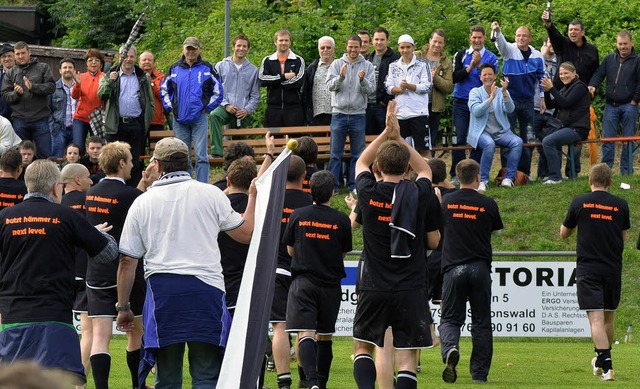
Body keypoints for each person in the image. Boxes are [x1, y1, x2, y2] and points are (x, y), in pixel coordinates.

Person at [116, 137, 255, 388]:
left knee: (167, 378)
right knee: (206, 375)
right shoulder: (211, 193)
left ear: (157, 166)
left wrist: (123, 306)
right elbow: (246, 234)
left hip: (164, 293)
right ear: (189, 163)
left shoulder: (142, 202)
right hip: (206, 292)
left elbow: (128, 260)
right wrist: (254, 196)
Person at [0, 159, 117, 385]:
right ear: (56, 187)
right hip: (55, 318)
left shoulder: (5, 218)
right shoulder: (67, 217)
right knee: (57, 382)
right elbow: (108, 252)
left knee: (13, 383)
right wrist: (93, 232)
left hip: (13, 317)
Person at [352, 100, 435, 389]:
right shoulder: (417, 192)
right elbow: (426, 170)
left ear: (378, 167)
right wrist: (399, 138)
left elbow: (361, 162)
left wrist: (386, 134)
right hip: (410, 286)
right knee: (406, 359)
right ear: (405, 167)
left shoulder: (368, 191)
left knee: (363, 347)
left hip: (374, 284)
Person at [84, 141, 148, 389]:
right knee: (135, 332)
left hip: (97, 271)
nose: (133, 164)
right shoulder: (132, 195)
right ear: (121, 163)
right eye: (130, 160)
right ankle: (137, 385)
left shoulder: (92, 193)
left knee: (100, 336)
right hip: (128, 271)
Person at [560, 163, 630, 381]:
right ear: (610, 182)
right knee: (608, 317)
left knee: (596, 320)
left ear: (590, 181)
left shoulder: (579, 202)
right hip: (612, 267)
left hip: (588, 267)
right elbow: (624, 237)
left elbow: (564, 233)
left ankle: (607, 366)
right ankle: (600, 361)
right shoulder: (620, 204)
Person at [283, 170, 353, 389]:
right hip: (330, 285)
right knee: (325, 336)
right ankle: (321, 384)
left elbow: (290, 249)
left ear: (310, 190)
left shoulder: (298, 215)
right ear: (332, 193)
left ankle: (311, 382)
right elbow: (342, 254)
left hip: (303, 282)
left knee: (305, 333)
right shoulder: (341, 220)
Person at [439, 159, 503, 384]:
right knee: (482, 322)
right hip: (480, 268)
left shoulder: (446, 202)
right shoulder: (488, 203)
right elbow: (495, 231)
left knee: (449, 319)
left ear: (457, 177)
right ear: (478, 178)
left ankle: (450, 349)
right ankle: (479, 373)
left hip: (453, 268)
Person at [271, 155, 313, 389]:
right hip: (302, 271)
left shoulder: (272, 199)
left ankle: (283, 380)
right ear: (304, 176)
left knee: (279, 326)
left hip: (276, 269)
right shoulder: (310, 201)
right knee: (304, 328)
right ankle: (305, 377)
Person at [542, 13, 599, 176]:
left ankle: (572, 171)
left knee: (577, 132)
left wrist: (592, 85)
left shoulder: (592, 50)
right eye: (570, 30)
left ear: (583, 32)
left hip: (581, 94)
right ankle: (553, 171)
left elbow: (596, 71)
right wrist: (549, 24)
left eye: (575, 30)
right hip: (561, 93)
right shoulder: (563, 45)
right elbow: (555, 37)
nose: (572, 32)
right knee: (556, 132)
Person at [162, 37, 222, 183]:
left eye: (194, 48)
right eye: (188, 48)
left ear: (199, 49)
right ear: (183, 50)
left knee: (202, 156)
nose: (191, 52)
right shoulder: (174, 68)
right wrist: (171, 108)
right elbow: (164, 89)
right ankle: (185, 184)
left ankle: (202, 186)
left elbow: (218, 91)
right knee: (183, 156)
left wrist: (206, 109)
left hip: (199, 119)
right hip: (179, 120)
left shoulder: (207, 68)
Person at [491, 22, 545, 178]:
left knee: (527, 136)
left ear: (530, 38)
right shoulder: (509, 51)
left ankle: (524, 173)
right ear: (515, 37)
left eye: (524, 35)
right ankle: (506, 172)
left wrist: (542, 98)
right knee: (507, 135)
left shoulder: (537, 55)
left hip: (528, 101)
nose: (521, 38)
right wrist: (498, 32)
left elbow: (541, 77)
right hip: (509, 100)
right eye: (518, 35)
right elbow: (500, 44)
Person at [98, 45, 154, 187]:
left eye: (131, 56)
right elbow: (101, 95)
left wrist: (145, 123)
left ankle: (135, 192)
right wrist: (110, 82)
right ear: (120, 57)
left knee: (135, 162)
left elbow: (150, 102)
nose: (128, 59)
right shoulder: (111, 74)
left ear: (135, 58)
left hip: (136, 124)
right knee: (114, 161)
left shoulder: (142, 76)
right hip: (116, 124)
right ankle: (115, 190)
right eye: (126, 56)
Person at [326, 34, 375, 194]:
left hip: (358, 114)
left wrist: (362, 80)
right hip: (339, 114)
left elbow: (371, 90)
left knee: (358, 154)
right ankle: (333, 186)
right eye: (350, 46)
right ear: (346, 47)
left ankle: (354, 185)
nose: (353, 49)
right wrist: (340, 77)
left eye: (356, 47)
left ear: (361, 47)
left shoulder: (367, 66)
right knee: (335, 153)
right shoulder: (336, 64)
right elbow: (330, 86)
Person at [450, 25, 499, 183]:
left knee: (477, 138)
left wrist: (479, 66)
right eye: (474, 37)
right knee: (459, 137)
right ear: (470, 38)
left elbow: (490, 78)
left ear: (485, 37)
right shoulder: (461, 54)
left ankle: (473, 174)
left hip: (481, 103)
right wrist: (471, 66)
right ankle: (456, 174)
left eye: (480, 37)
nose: (477, 40)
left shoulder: (491, 57)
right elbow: (455, 77)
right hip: (461, 102)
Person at [588, 31, 640, 175]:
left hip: (630, 105)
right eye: (620, 44)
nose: (622, 47)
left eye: (625, 44)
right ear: (616, 44)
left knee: (628, 140)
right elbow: (599, 74)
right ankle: (606, 172)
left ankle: (626, 171)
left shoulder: (637, 61)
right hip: (611, 105)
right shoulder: (609, 59)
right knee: (607, 140)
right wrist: (593, 84)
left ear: (631, 43)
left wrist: (635, 100)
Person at [60, 162, 94, 376]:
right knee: (89, 332)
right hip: (85, 273)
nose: (92, 181)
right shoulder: (91, 202)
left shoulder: (56, 205)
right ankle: (77, 382)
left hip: (61, 274)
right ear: (78, 180)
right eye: (89, 177)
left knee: (59, 330)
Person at [468, 64, 522, 191]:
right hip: (481, 132)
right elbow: (476, 111)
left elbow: (510, 109)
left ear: (495, 76)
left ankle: (508, 178)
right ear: (480, 77)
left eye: (490, 74)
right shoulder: (475, 92)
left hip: (501, 132)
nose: (487, 77)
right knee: (489, 144)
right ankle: (483, 180)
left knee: (517, 142)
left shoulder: (502, 91)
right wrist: (490, 98)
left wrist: (503, 93)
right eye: (484, 74)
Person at [1, 41, 55, 159]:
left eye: (23, 53)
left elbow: (51, 87)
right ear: (15, 55)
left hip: (40, 118)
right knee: (20, 157)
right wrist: (16, 93)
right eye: (18, 54)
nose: (21, 56)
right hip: (20, 120)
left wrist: (33, 87)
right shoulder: (10, 73)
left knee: (44, 156)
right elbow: (5, 95)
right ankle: (21, 177)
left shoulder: (43, 67)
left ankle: (44, 177)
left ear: (29, 52)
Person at [210, 34, 260, 156]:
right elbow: (215, 89)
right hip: (225, 107)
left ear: (248, 49)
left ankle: (239, 158)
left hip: (242, 111)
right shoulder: (221, 66)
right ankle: (217, 152)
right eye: (238, 46)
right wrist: (226, 105)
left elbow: (255, 95)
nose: (241, 49)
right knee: (214, 115)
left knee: (239, 143)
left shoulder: (253, 70)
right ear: (233, 47)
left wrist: (247, 110)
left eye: (244, 46)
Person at [541, 62, 591, 184]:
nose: (563, 76)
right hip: (566, 127)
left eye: (566, 73)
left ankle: (555, 177)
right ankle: (556, 174)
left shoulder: (579, 87)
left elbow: (565, 103)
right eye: (561, 73)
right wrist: (547, 91)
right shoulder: (565, 88)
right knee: (547, 138)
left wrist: (552, 88)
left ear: (574, 73)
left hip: (578, 128)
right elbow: (550, 105)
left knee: (548, 141)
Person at [385, 34, 432, 156]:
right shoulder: (393, 66)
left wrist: (410, 86)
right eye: (402, 47)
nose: (405, 50)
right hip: (400, 114)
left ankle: (425, 174)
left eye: (408, 47)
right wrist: (399, 89)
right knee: (400, 151)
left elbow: (427, 86)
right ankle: (404, 175)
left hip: (418, 112)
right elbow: (388, 87)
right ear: (398, 48)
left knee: (423, 149)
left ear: (413, 47)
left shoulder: (423, 64)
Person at [259, 29, 305, 127]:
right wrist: (283, 77)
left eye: (286, 40)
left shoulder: (298, 60)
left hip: (294, 108)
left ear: (290, 42)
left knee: (295, 141)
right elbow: (262, 80)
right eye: (281, 40)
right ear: (275, 42)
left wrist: (274, 82)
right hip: (273, 109)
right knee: (273, 139)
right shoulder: (268, 60)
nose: (283, 43)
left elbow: (299, 81)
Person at [417, 29, 454, 150]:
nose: (437, 45)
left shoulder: (446, 63)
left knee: (431, 141)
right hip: (416, 105)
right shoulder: (416, 56)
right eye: (435, 41)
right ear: (430, 41)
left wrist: (435, 78)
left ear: (444, 44)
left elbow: (449, 87)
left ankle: (430, 167)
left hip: (434, 106)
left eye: (440, 42)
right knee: (416, 139)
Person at [365, 27, 400, 135]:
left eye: (382, 39)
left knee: (386, 137)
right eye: (376, 39)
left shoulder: (395, 59)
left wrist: (385, 101)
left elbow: (398, 83)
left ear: (387, 41)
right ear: (372, 41)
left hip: (383, 106)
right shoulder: (368, 59)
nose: (379, 42)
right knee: (369, 139)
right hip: (367, 106)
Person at [71, 49, 104, 154]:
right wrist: (77, 84)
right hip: (81, 118)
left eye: (96, 60)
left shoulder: (105, 77)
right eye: (90, 60)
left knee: (98, 148)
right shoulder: (81, 77)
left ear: (101, 63)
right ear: (86, 63)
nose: (93, 62)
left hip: (97, 117)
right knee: (78, 147)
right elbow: (74, 96)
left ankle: (97, 170)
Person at [302, 36, 336, 126]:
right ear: (318, 49)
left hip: (337, 114)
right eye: (322, 47)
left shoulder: (340, 66)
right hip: (316, 116)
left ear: (334, 49)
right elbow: (305, 93)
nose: (325, 50)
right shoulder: (311, 68)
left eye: (328, 47)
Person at [139, 50, 166, 156]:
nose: (147, 62)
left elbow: (163, 96)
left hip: (156, 121)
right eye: (144, 60)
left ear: (154, 63)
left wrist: (151, 84)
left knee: (158, 153)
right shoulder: (133, 77)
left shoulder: (162, 77)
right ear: (139, 62)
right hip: (139, 121)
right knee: (138, 152)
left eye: (149, 60)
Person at [49, 58, 77, 158]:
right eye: (64, 67)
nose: (67, 69)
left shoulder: (80, 86)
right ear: (60, 70)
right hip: (58, 129)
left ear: (74, 70)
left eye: (70, 67)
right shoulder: (53, 88)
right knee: (57, 159)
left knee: (75, 160)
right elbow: (47, 109)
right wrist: (52, 127)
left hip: (76, 129)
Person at [0, 43, 15, 119]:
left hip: (17, 118)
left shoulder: (22, 73)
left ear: (15, 57)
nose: (6, 59)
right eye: (4, 56)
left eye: (9, 56)